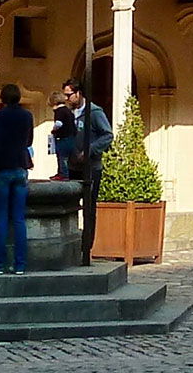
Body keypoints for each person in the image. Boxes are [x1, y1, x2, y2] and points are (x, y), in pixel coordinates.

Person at [60, 78, 113, 262]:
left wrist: (89, 150)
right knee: (70, 205)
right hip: (72, 165)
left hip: (91, 167)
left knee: (89, 208)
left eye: (69, 95)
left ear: (78, 93)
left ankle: (86, 248)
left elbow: (108, 135)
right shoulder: (68, 113)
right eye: (65, 95)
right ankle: (72, 243)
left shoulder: (95, 112)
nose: (67, 99)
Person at [0, 83, 34, 275]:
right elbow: (29, 141)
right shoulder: (27, 115)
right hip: (20, 166)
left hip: (3, 168)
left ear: (3, 99)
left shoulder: (0, 115)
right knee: (19, 219)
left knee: (2, 218)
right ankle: (20, 265)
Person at [46, 105, 79, 181]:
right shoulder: (69, 111)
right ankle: (64, 173)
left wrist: (53, 130)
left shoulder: (59, 111)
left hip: (63, 138)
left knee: (62, 157)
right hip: (71, 137)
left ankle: (63, 174)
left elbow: (58, 123)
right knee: (67, 158)